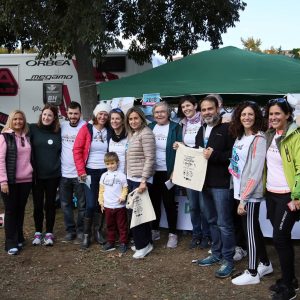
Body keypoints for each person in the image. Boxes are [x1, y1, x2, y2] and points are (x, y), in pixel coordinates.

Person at [228, 101, 272, 285]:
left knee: (250, 233)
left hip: (250, 194)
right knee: (253, 229)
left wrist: (244, 199)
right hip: (239, 191)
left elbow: (255, 173)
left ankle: (253, 272)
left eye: (250, 114)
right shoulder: (240, 138)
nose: (246, 117)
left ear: (256, 117)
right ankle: (266, 263)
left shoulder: (259, 139)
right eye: (243, 114)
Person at [195, 95, 236, 278]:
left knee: (224, 224)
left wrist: (215, 155)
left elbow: (233, 155)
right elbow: (198, 153)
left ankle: (228, 260)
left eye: (210, 109)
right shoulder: (201, 129)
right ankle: (216, 253)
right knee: (211, 221)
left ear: (217, 108)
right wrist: (182, 148)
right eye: (203, 110)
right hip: (203, 183)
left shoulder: (228, 129)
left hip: (221, 184)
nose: (206, 113)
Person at [264, 98, 300, 300]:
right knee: (281, 239)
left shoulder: (296, 137)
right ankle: (290, 279)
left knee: (279, 238)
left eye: (278, 113)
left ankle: (289, 288)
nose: (274, 117)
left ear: (287, 115)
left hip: (288, 195)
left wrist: (296, 196)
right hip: (271, 194)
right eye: (270, 114)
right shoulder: (270, 134)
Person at [73, 102, 111, 249]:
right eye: (100, 114)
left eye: (105, 115)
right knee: (90, 204)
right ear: (95, 114)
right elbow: (77, 150)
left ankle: (98, 231)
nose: (103, 117)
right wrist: (81, 171)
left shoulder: (109, 130)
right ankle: (86, 234)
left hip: (106, 172)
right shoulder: (86, 129)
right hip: (89, 171)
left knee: (101, 203)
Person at [175, 95, 210, 249]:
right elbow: (185, 144)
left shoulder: (205, 120)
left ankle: (207, 235)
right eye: (183, 107)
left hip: (204, 169)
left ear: (195, 106)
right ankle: (196, 234)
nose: (186, 109)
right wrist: (179, 145)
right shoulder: (182, 124)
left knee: (204, 206)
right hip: (189, 169)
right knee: (194, 205)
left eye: (188, 106)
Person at [148, 102, 182, 248]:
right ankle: (154, 230)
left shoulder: (175, 127)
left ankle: (172, 233)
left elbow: (181, 149)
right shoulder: (149, 127)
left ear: (168, 113)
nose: (159, 115)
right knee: (154, 202)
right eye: (156, 112)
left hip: (168, 172)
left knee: (169, 203)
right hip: (152, 172)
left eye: (162, 112)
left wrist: (175, 170)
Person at [0, 110, 33, 255]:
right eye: (15, 119)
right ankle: (10, 243)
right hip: (10, 182)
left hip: (26, 180)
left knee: (20, 211)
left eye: (21, 119)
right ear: (11, 121)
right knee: (11, 211)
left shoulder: (26, 136)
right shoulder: (4, 137)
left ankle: (19, 237)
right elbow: (0, 161)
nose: (18, 122)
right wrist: (3, 181)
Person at [125, 107, 155, 259]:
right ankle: (143, 242)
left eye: (136, 118)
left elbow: (150, 158)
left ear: (142, 119)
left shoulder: (146, 133)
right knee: (135, 213)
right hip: (132, 178)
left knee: (139, 215)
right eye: (130, 119)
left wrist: (144, 180)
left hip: (141, 180)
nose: (133, 121)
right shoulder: (133, 133)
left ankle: (143, 246)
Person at [30, 104, 61, 246]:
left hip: (53, 175)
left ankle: (49, 233)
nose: (46, 117)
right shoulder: (32, 129)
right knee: (37, 205)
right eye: (44, 114)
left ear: (54, 118)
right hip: (36, 175)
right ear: (41, 115)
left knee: (50, 205)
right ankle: (37, 232)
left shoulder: (58, 131)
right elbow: (15, 130)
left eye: (50, 115)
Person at [60, 101, 86, 243]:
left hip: (80, 173)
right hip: (64, 174)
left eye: (76, 113)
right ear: (67, 114)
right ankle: (70, 231)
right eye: (70, 113)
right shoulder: (62, 126)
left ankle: (81, 231)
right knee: (65, 204)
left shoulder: (85, 126)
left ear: (80, 114)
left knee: (82, 204)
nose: (73, 116)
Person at [98, 152, 128, 253]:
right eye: (108, 164)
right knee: (110, 225)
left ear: (117, 163)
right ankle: (111, 242)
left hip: (119, 206)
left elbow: (125, 188)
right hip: (108, 206)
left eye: (112, 163)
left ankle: (123, 242)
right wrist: (101, 202)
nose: (110, 166)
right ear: (105, 164)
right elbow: (101, 190)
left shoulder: (121, 175)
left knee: (122, 225)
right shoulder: (103, 176)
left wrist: (123, 197)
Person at [108, 108, 127, 173]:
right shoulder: (109, 137)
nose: (114, 121)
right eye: (112, 119)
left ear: (122, 121)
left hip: (126, 174)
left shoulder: (129, 136)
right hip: (112, 174)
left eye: (117, 119)